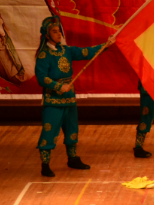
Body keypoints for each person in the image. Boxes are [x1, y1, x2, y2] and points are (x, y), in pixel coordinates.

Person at [35, 15, 116, 177]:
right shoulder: (44, 55)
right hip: (53, 100)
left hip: (69, 98)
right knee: (49, 131)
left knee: (72, 129)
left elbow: (86, 52)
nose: (59, 34)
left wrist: (106, 45)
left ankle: (72, 158)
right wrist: (59, 86)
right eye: (55, 31)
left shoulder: (66, 50)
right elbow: (41, 78)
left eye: (59, 31)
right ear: (47, 35)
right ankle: (45, 164)